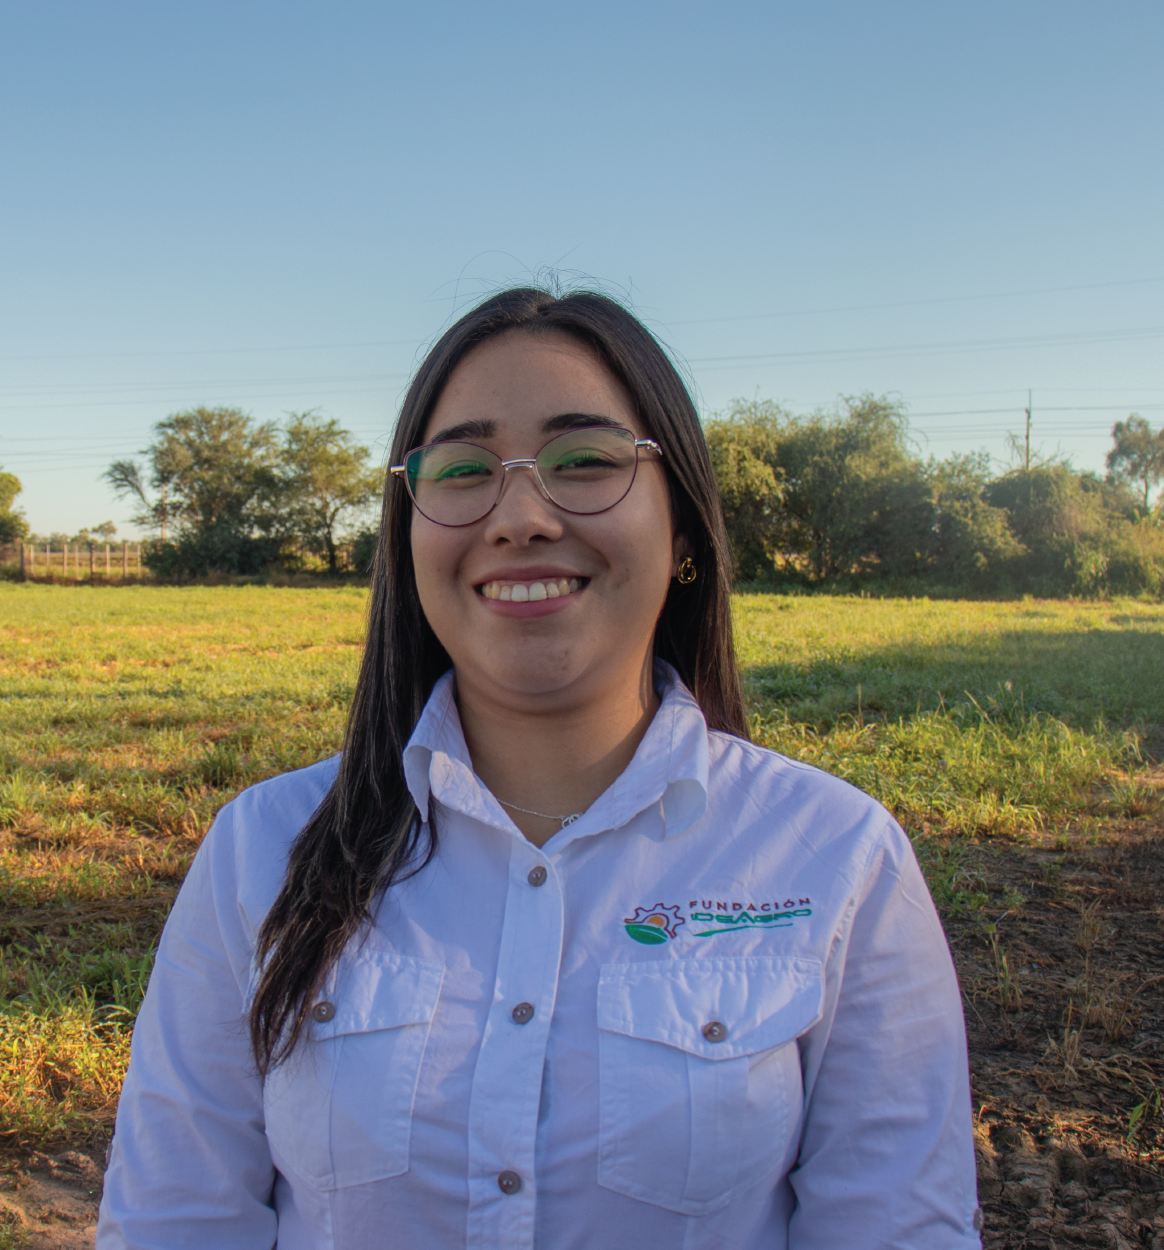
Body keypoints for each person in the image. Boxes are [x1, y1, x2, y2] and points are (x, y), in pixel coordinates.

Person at [97, 287, 982, 1249]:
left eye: (586, 461)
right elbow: (174, 1221)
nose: (519, 516)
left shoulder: (840, 858)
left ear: (684, 529)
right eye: (462, 470)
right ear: (407, 529)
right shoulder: (260, 849)